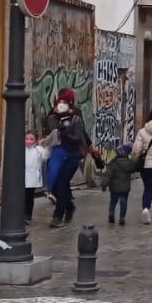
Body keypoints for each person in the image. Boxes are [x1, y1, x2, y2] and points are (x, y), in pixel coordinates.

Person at [44, 88, 91, 228]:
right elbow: (48, 133)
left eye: (64, 102)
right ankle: (69, 207)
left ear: (70, 103)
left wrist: (66, 135)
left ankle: (58, 216)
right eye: (60, 102)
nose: (61, 105)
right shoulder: (52, 118)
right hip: (57, 153)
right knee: (55, 185)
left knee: (62, 184)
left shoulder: (76, 119)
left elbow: (80, 138)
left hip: (72, 155)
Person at [103, 144, 139, 225]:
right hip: (125, 188)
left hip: (114, 188)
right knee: (124, 202)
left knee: (113, 201)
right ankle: (122, 217)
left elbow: (107, 175)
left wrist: (104, 184)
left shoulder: (112, 163)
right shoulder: (129, 163)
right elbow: (134, 169)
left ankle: (111, 214)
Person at [24, 130, 48, 223]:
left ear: (35, 140)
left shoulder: (39, 150)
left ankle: (27, 215)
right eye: (26, 139)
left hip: (33, 177)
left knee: (29, 196)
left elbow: (45, 157)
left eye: (31, 139)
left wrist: (44, 147)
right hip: (22, 177)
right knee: (22, 197)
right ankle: (22, 214)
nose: (28, 141)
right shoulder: (21, 149)